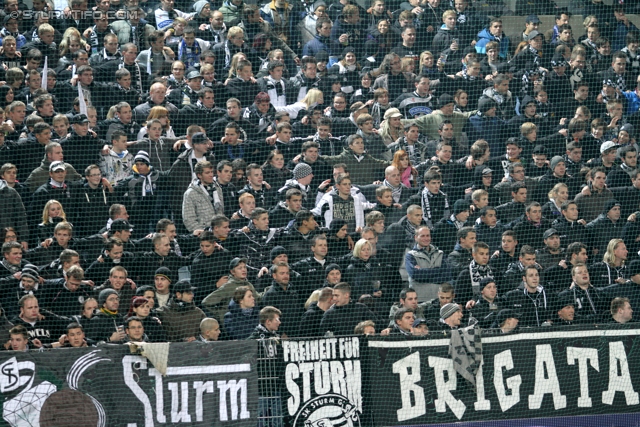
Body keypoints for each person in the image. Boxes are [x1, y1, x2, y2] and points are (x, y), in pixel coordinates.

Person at [405, 226, 452, 302]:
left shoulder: (440, 253)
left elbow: (447, 275)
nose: (426, 238)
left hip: (438, 300)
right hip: (420, 300)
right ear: (416, 237)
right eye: (422, 236)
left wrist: (423, 273)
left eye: (428, 235)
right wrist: (438, 271)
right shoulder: (410, 255)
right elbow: (415, 274)